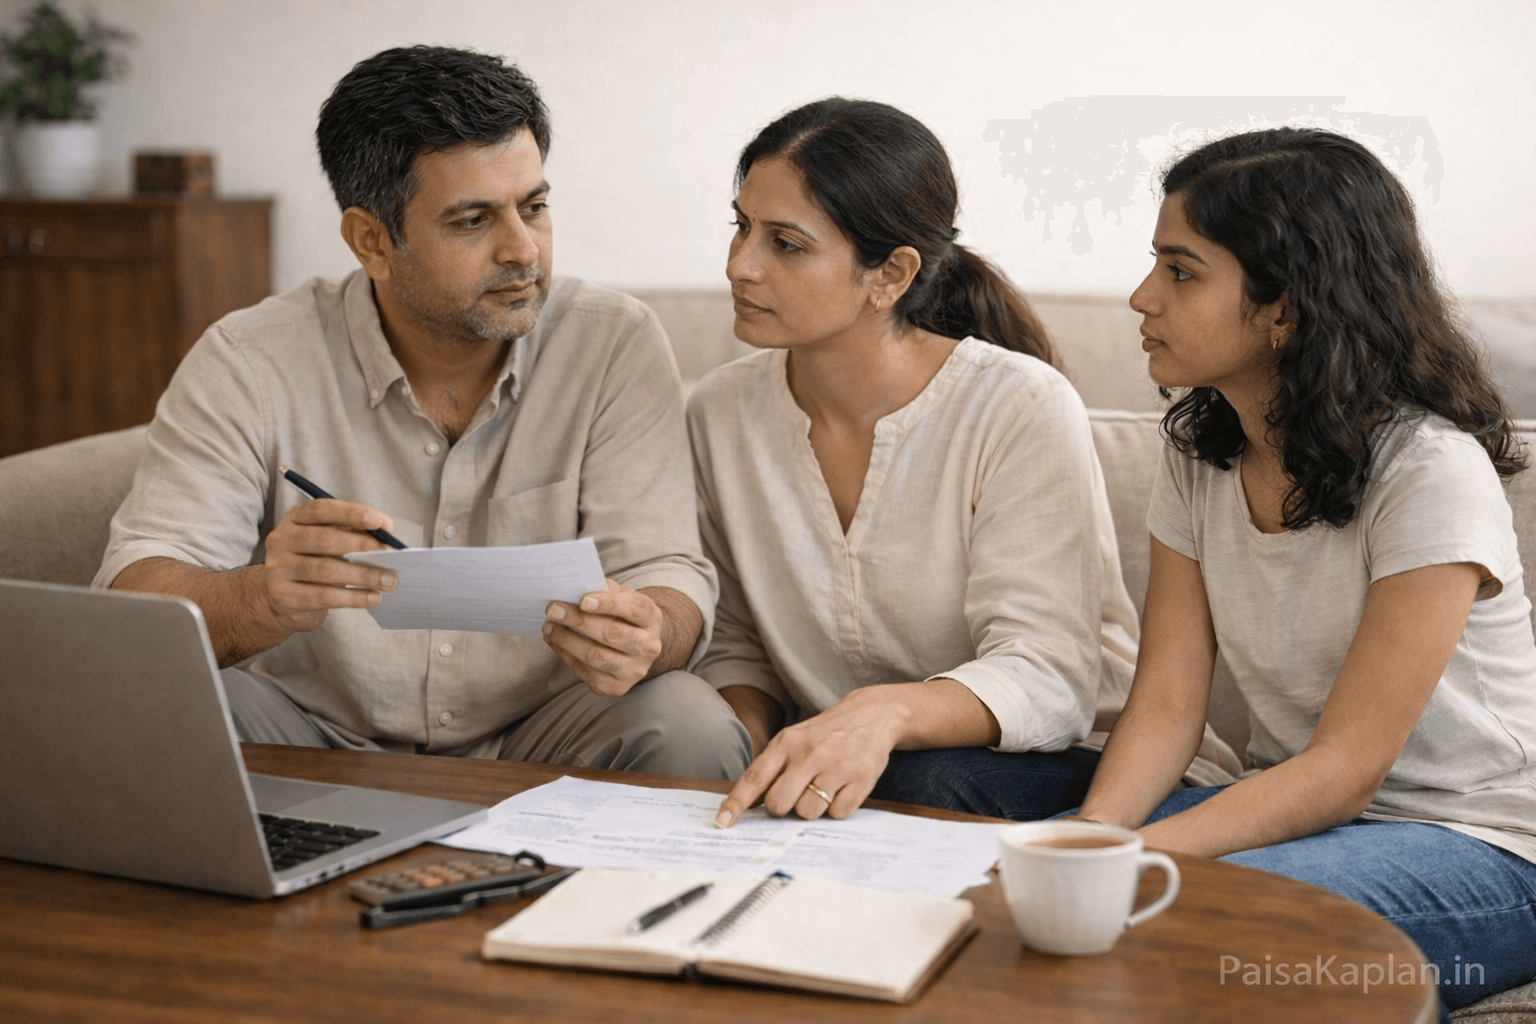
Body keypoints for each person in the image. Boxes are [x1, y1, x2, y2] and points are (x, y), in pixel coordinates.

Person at [94, 46, 749, 780]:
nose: (523, 250)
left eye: (534, 207)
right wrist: (261, 598)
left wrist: (649, 629)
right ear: (371, 241)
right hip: (309, 734)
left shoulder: (612, 342)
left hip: (543, 733)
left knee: (690, 725)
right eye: (472, 220)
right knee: (150, 703)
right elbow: (135, 597)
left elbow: (666, 569)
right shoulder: (250, 358)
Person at [1075, 127, 1536, 1019]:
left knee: (1195, 910)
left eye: (1180, 271)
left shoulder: (1430, 472)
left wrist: (1135, 859)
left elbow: (1345, 770)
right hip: (1296, 816)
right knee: (1021, 862)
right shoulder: (1200, 459)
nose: (1142, 296)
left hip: (1484, 844)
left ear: (1284, 309)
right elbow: (1167, 706)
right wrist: (1092, 839)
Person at [696, 98, 1238, 829]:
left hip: (1091, 767)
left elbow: (1047, 677)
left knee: (916, 786)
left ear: (891, 274)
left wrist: (878, 716)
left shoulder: (1017, 405)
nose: (740, 266)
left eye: (786, 244)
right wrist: (746, 762)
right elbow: (735, 642)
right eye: (741, 227)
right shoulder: (719, 410)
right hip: (859, 775)